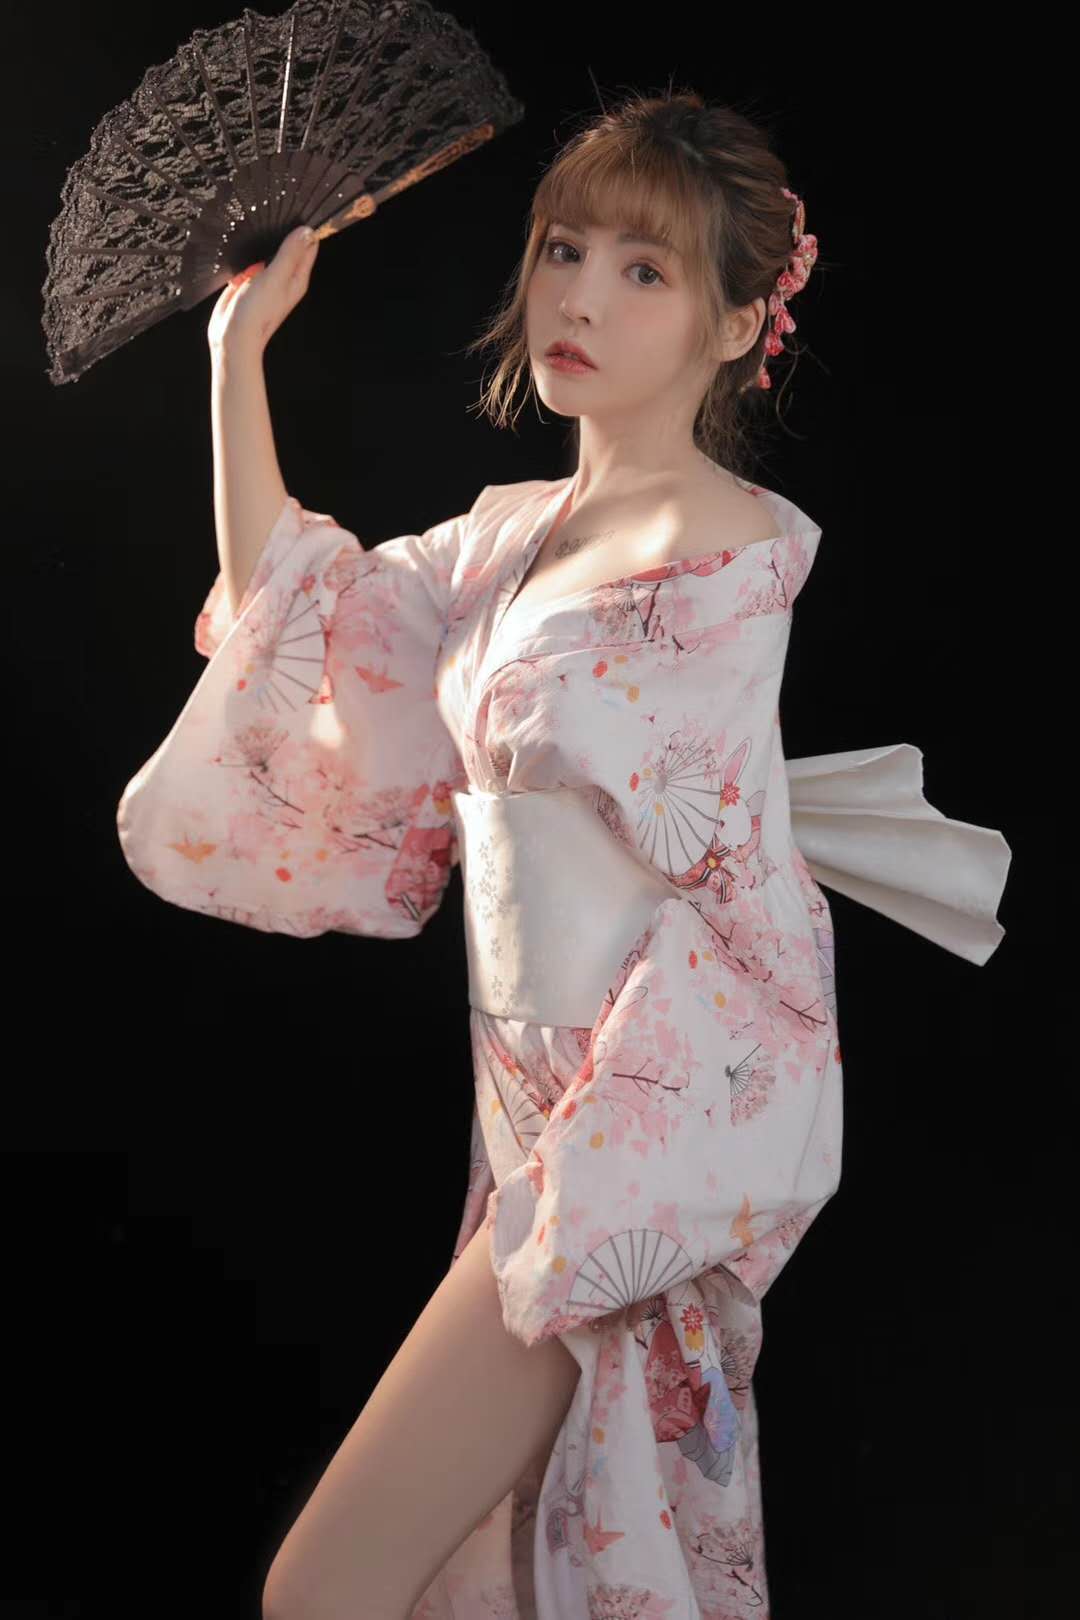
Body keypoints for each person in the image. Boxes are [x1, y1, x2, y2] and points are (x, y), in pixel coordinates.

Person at [116, 92, 1011, 1620]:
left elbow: (743, 918)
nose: (580, 296)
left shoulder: (724, 567)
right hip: (520, 1111)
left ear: (741, 327)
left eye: (644, 271)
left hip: (626, 1137)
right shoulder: (509, 540)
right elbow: (303, 621)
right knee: (531, 1577)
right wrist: (234, 357)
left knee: (325, 1587)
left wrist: (611, 1178)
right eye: (564, 249)